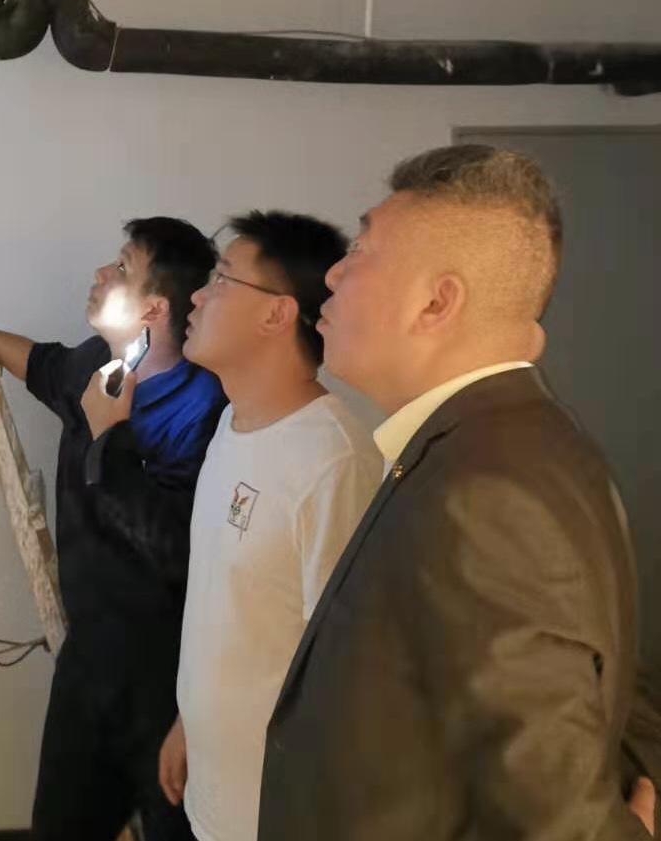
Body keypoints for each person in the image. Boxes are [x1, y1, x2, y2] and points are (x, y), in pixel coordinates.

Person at [259, 144, 655, 840]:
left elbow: (555, 814)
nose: (335, 273)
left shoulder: (488, 487)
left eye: (361, 250)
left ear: (436, 301)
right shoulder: (492, 444)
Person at [0, 217, 224, 841]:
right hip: (87, 661)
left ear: (154, 308)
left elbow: (178, 551)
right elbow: (43, 365)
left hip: (169, 681)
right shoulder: (98, 365)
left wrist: (109, 434)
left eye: (121, 267)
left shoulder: (204, 406)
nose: (100, 274)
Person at [154, 211, 383, 841]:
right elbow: (236, 609)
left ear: (277, 314)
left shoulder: (333, 462)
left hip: (281, 812)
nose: (197, 297)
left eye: (222, 279)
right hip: (217, 792)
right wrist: (190, 718)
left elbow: (344, 672)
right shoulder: (233, 424)